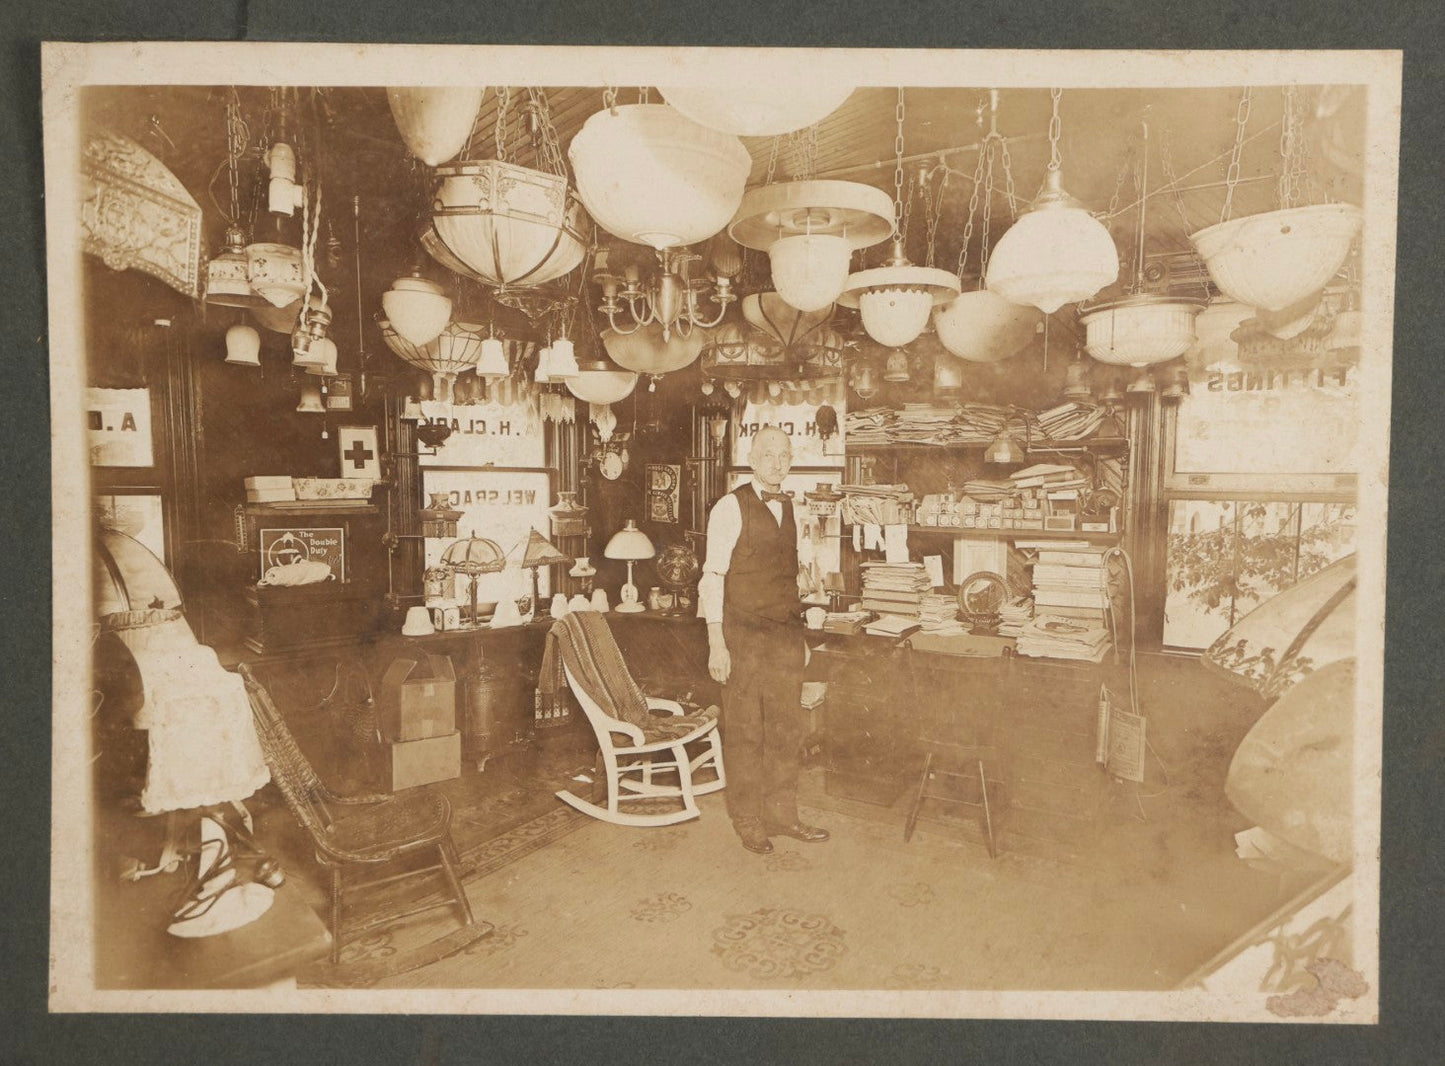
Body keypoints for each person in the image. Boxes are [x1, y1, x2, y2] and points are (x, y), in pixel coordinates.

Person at [699, 425, 829, 854]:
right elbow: (712, 578)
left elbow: (790, 579)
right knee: (746, 733)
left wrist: (800, 635)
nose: (777, 462)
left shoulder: (791, 506)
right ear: (752, 460)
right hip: (743, 638)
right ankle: (749, 819)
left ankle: (783, 815)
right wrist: (717, 643)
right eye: (768, 454)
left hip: (784, 639)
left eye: (784, 455)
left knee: (786, 730)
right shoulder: (729, 507)